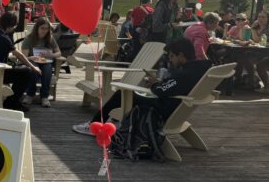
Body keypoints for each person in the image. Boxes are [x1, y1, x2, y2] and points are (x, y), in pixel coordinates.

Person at [72, 38, 212, 135]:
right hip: (177, 109)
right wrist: (161, 83)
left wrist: (155, 83)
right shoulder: (198, 69)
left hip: (162, 109)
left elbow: (159, 90)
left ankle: (94, 124)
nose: (170, 59)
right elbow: (172, 87)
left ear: (181, 55)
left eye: (172, 56)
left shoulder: (184, 73)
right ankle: (113, 122)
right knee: (127, 94)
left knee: (122, 93)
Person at [0, 12, 41, 112]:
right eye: (14, 25)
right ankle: (12, 102)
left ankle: (12, 100)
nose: (15, 28)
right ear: (10, 25)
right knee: (27, 72)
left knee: (23, 71)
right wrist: (33, 67)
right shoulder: (3, 38)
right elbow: (18, 54)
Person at [21, 17, 60, 108]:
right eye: (42, 28)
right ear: (37, 28)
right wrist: (32, 57)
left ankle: (44, 96)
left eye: (47, 28)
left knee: (47, 69)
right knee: (35, 69)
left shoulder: (50, 38)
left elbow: (59, 53)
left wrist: (50, 55)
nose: (44, 31)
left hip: (46, 61)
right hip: (32, 61)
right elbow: (24, 57)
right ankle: (30, 94)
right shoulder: (29, 39)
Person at [250, 10, 269, 93]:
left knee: (263, 65)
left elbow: (257, 40)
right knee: (243, 59)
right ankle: (250, 83)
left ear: (268, 19)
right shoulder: (256, 28)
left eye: (263, 17)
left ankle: (267, 87)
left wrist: (252, 29)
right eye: (259, 17)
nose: (260, 19)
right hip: (258, 52)